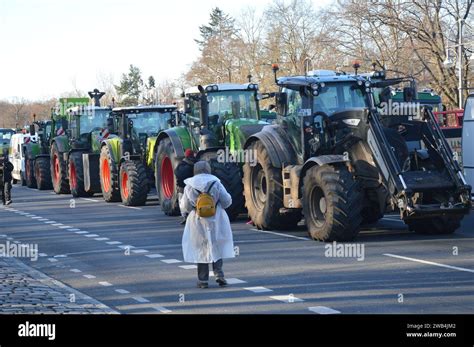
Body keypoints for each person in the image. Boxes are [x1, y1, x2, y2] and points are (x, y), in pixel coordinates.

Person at [180, 161, 234, 288]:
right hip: (217, 219)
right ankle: (219, 275)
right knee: (217, 246)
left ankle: (203, 280)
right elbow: (226, 202)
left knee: (201, 249)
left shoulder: (189, 185)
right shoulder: (216, 183)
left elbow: (186, 206)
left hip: (198, 221)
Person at [175, 149, 197, 224]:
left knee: (182, 203)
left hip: (181, 187)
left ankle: (185, 216)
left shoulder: (181, 164)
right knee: (193, 201)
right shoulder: (195, 163)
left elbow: (176, 173)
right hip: (192, 187)